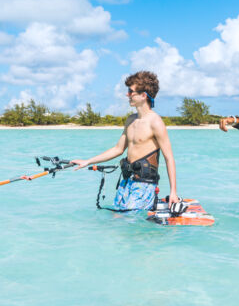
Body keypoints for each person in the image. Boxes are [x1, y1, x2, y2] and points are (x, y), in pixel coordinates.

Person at [71, 71, 179, 210]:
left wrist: (173, 192)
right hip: (126, 181)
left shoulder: (155, 122)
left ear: (143, 95)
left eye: (130, 91)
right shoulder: (130, 120)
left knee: (128, 220)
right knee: (116, 218)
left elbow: (169, 158)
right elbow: (118, 149)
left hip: (144, 184)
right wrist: (88, 161)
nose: (127, 95)